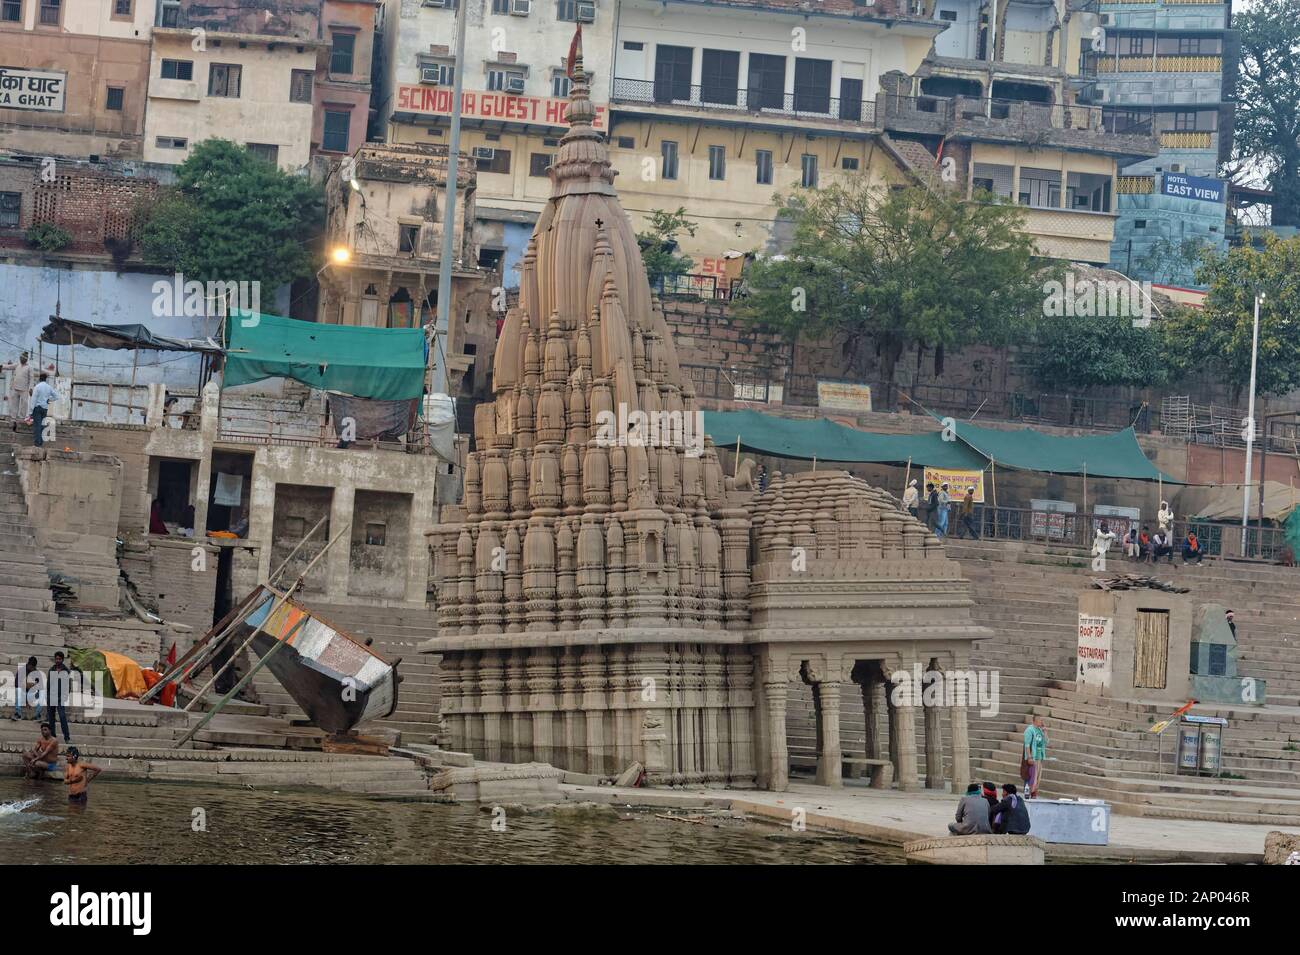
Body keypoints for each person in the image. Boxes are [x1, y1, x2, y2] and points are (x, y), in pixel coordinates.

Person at [46, 651, 72, 743]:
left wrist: (65, 696)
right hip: (51, 697)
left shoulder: (66, 671)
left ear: (62, 659)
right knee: (51, 718)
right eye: (56, 659)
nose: (58, 660)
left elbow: (68, 685)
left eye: (59, 659)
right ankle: (53, 736)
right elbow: (48, 684)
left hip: (60, 697)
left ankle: (67, 737)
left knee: (62, 717)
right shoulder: (51, 669)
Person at [3, 351, 34, 426]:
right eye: (20, 358)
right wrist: (2, 366)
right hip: (15, 388)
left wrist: (31, 388)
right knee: (14, 404)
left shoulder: (29, 367)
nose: (21, 359)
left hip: (24, 389)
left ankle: (21, 418)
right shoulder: (17, 365)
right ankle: (13, 418)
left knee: (24, 404)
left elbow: (32, 378)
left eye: (23, 358)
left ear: (26, 359)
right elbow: (9, 367)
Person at [30, 372, 59, 448]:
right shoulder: (49, 387)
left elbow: (33, 399)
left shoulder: (37, 387)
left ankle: (37, 443)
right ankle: (40, 443)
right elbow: (56, 396)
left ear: (40, 378)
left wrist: (30, 411)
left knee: (37, 426)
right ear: (46, 379)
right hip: (44, 409)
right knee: (42, 425)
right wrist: (49, 400)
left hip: (37, 408)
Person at [1022, 714, 1047, 798]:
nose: (1042, 722)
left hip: (1039, 758)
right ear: (1035, 721)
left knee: (1037, 780)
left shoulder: (1040, 730)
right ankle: (1027, 796)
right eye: (1040, 720)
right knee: (1030, 779)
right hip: (1032, 758)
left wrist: (1045, 732)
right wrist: (1029, 757)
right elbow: (1027, 745)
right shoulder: (1029, 730)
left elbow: (1046, 742)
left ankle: (1033, 796)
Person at [11, 655, 38, 721]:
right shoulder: (21, 670)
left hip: (30, 694)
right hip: (22, 693)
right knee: (18, 690)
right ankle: (18, 713)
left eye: (33, 667)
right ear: (28, 664)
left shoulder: (35, 672)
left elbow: (37, 685)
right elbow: (17, 685)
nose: (31, 668)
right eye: (30, 666)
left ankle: (38, 715)